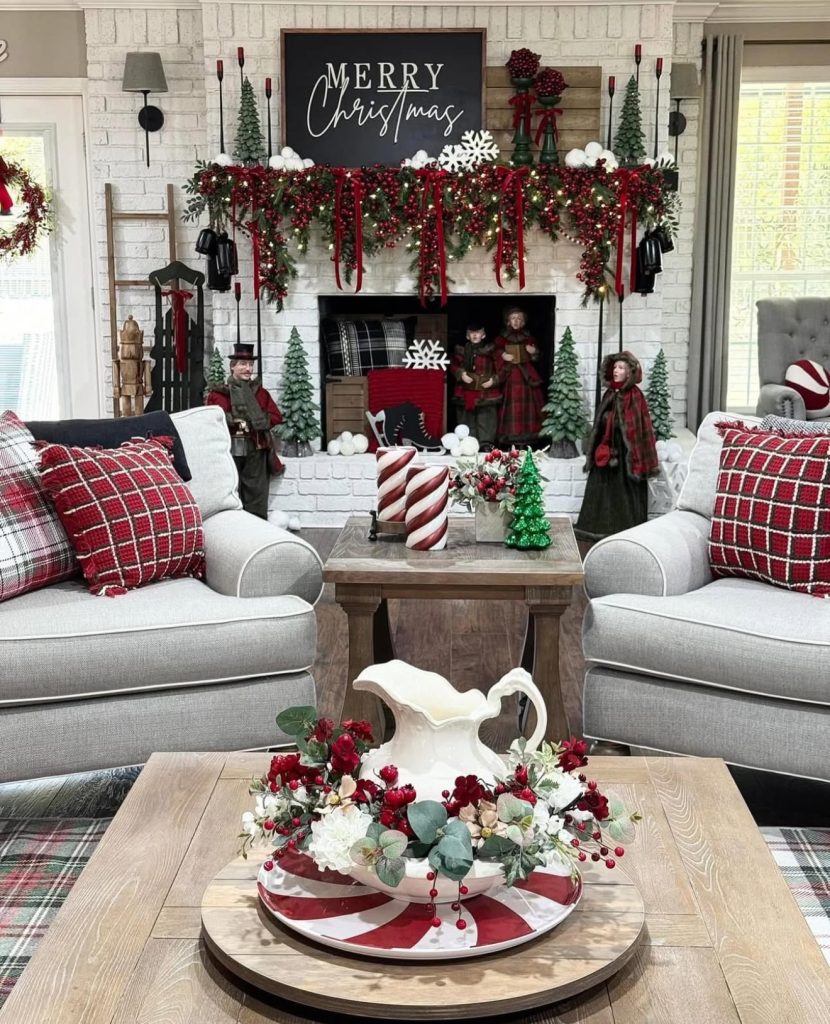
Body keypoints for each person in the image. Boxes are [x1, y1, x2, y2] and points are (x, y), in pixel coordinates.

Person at [575, 350, 659, 542]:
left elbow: (640, 430)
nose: (616, 370)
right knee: (601, 489)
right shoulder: (610, 393)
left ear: (630, 372)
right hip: (606, 451)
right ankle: (597, 527)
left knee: (623, 492)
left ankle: (625, 529)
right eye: (614, 367)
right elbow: (600, 423)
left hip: (626, 456)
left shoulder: (635, 397)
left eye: (621, 367)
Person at [206, 342, 284, 520]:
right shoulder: (218, 394)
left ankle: (256, 525)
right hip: (228, 449)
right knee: (229, 488)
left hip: (255, 447)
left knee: (256, 491)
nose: (247, 369)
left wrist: (258, 421)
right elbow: (211, 418)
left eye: (250, 365)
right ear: (232, 366)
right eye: (243, 364)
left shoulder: (260, 393)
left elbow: (276, 416)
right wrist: (231, 420)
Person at [494, 306, 544, 444]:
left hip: (526, 374)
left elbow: (537, 357)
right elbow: (494, 351)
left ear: (523, 322)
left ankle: (529, 435)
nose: (516, 321)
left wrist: (534, 351)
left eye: (519, 319)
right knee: (510, 404)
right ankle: (510, 435)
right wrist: (502, 355)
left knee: (529, 405)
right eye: (513, 318)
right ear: (508, 321)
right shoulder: (501, 338)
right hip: (509, 374)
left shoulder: (528, 337)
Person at [450, 322, 503, 445]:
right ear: (467, 336)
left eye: (478, 333)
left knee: (486, 418)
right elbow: (453, 365)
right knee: (466, 417)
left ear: (483, 335)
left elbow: (502, 368)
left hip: (486, 390)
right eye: (471, 333)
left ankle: (486, 443)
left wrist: (493, 380)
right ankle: (469, 442)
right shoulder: (461, 352)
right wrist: (461, 374)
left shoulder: (491, 352)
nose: (474, 335)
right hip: (466, 390)